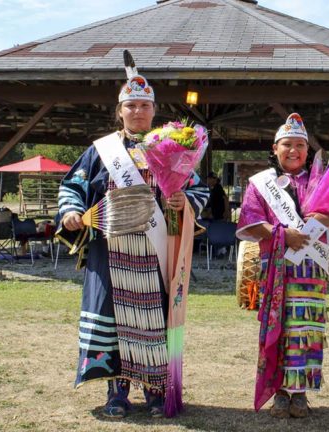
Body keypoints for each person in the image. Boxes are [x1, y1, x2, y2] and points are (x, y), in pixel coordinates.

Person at [56, 52, 209, 419]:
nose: (137, 111)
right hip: (111, 252)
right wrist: (72, 212)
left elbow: (199, 192)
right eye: (131, 105)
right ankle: (117, 393)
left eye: (144, 105)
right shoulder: (101, 151)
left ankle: (155, 392)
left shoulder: (170, 148)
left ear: (154, 110)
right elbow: (72, 185)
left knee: (153, 321)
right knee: (114, 320)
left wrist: (181, 200)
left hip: (156, 253)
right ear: (119, 110)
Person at [236, 113, 329, 419]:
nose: (293, 150)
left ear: (306, 150)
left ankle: (300, 392)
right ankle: (279, 392)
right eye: (287, 144)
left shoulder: (322, 181)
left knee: (306, 328)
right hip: (275, 265)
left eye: (300, 145)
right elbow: (249, 221)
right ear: (275, 148)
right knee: (279, 325)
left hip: (311, 268)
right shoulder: (261, 184)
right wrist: (282, 234)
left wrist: (323, 219)